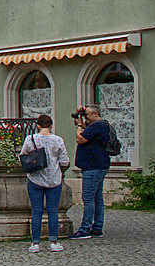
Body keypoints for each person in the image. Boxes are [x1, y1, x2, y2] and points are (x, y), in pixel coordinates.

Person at [20, 115, 70, 253]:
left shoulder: (30, 139)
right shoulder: (58, 140)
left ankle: (35, 243)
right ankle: (54, 242)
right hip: (54, 179)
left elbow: (22, 156)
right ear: (51, 126)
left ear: (38, 125)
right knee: (52, 211)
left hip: (35, 178)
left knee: (36, 211)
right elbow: (65, 161)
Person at [69, 105, 112, 240]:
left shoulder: (97, 126)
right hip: (99, 165)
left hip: (93, 167)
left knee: (88, 198)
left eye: (86, 115)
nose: (85, 118)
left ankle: (85, 229)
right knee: (97, 198)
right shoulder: (100, 126)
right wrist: (79, 116)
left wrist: (78, 127)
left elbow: (80, 138)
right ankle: (97, 228)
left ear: (95, 114)